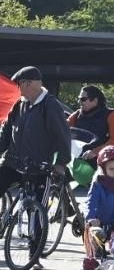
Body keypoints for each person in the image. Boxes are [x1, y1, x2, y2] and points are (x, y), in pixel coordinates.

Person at [0, 66, 72, 202]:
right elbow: (6, 134)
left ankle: (37, 221)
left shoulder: (50, 105)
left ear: (29, 83)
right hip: (13, 164)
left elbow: (63, 135)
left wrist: (61, 163)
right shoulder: (18, 105)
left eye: (18, 84)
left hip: (38, 168)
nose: (18, 88)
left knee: (35, 212)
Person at [67, 85, 114, 186]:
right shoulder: (77, 115)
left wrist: (95, 152)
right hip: (82, 159)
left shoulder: (112, 115)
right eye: (79, 99)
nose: (80, 102)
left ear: (95, 100)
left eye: (83, 99)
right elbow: (64, 128)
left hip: (105, 161)